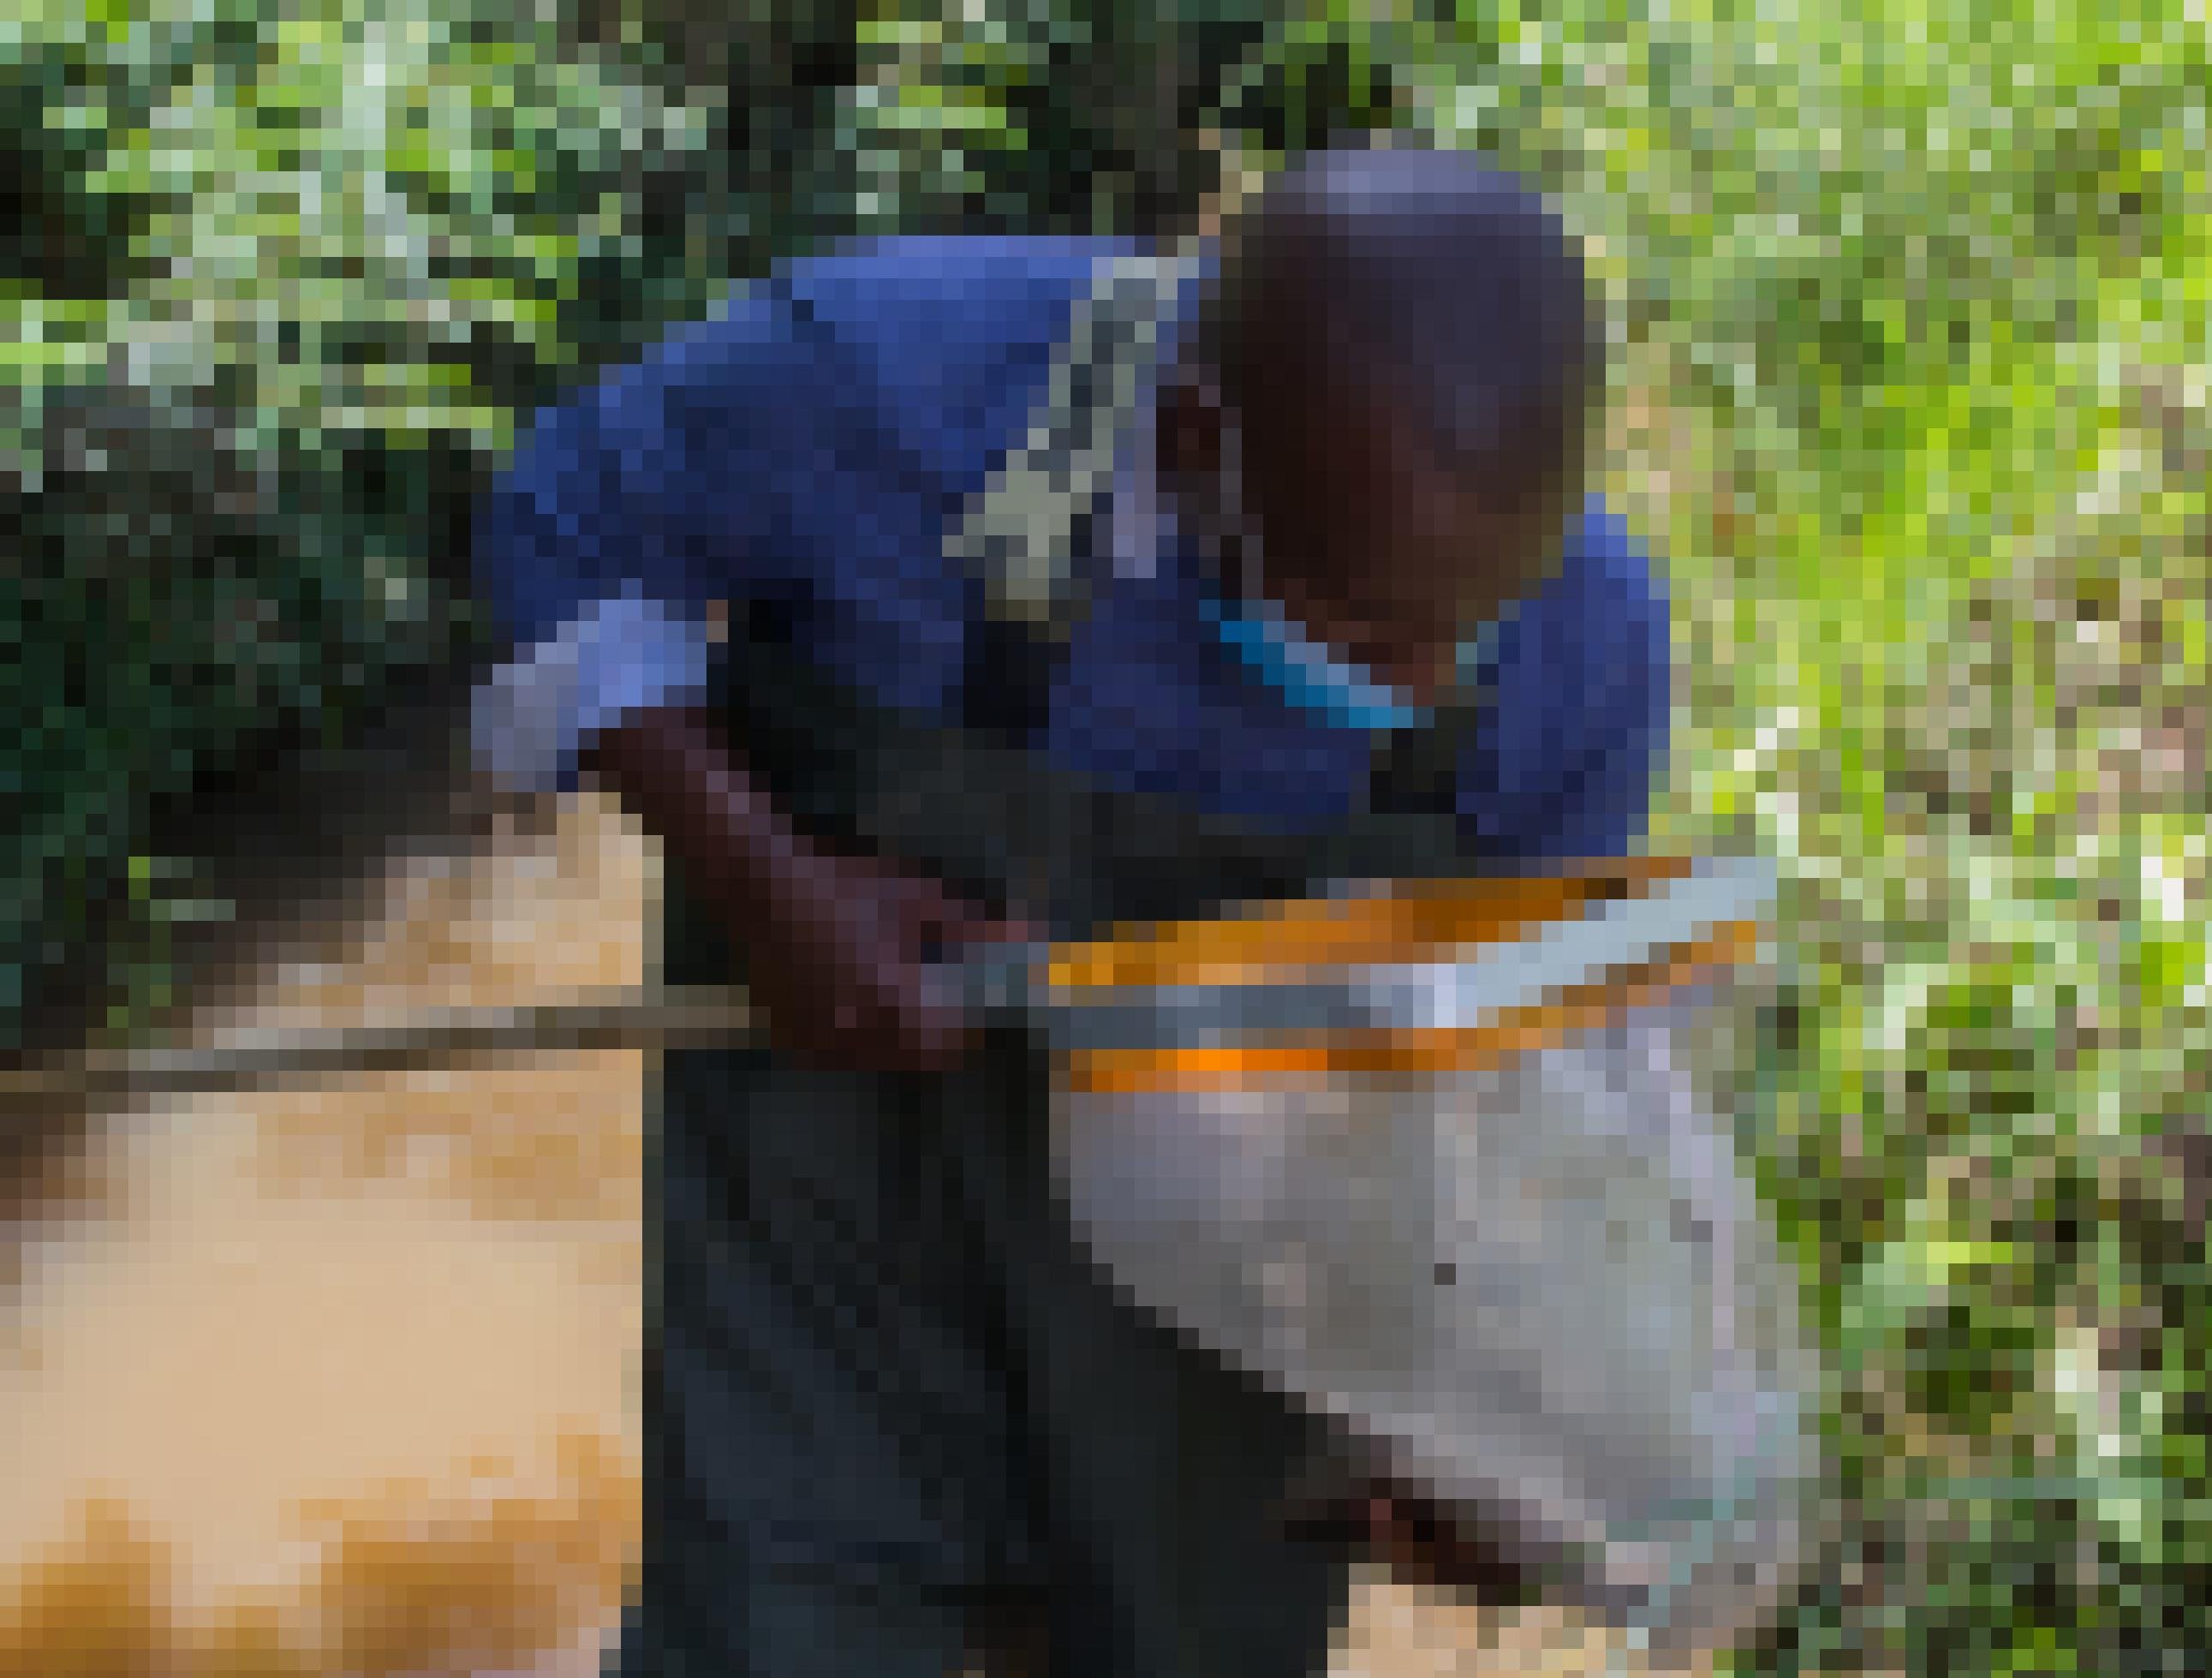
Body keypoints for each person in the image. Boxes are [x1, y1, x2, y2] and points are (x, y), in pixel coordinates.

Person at [468, 142, 1674, 1678]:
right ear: (1192, 442)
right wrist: (761, 879)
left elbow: (1508, 1081)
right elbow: (558, 535)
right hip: (834, 1234)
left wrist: (1459, 1415)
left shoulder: (1591, 643)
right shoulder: (875, 385)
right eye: (1373, 624)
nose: (1434, 684)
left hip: (1218, 1316)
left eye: (1482, 623)